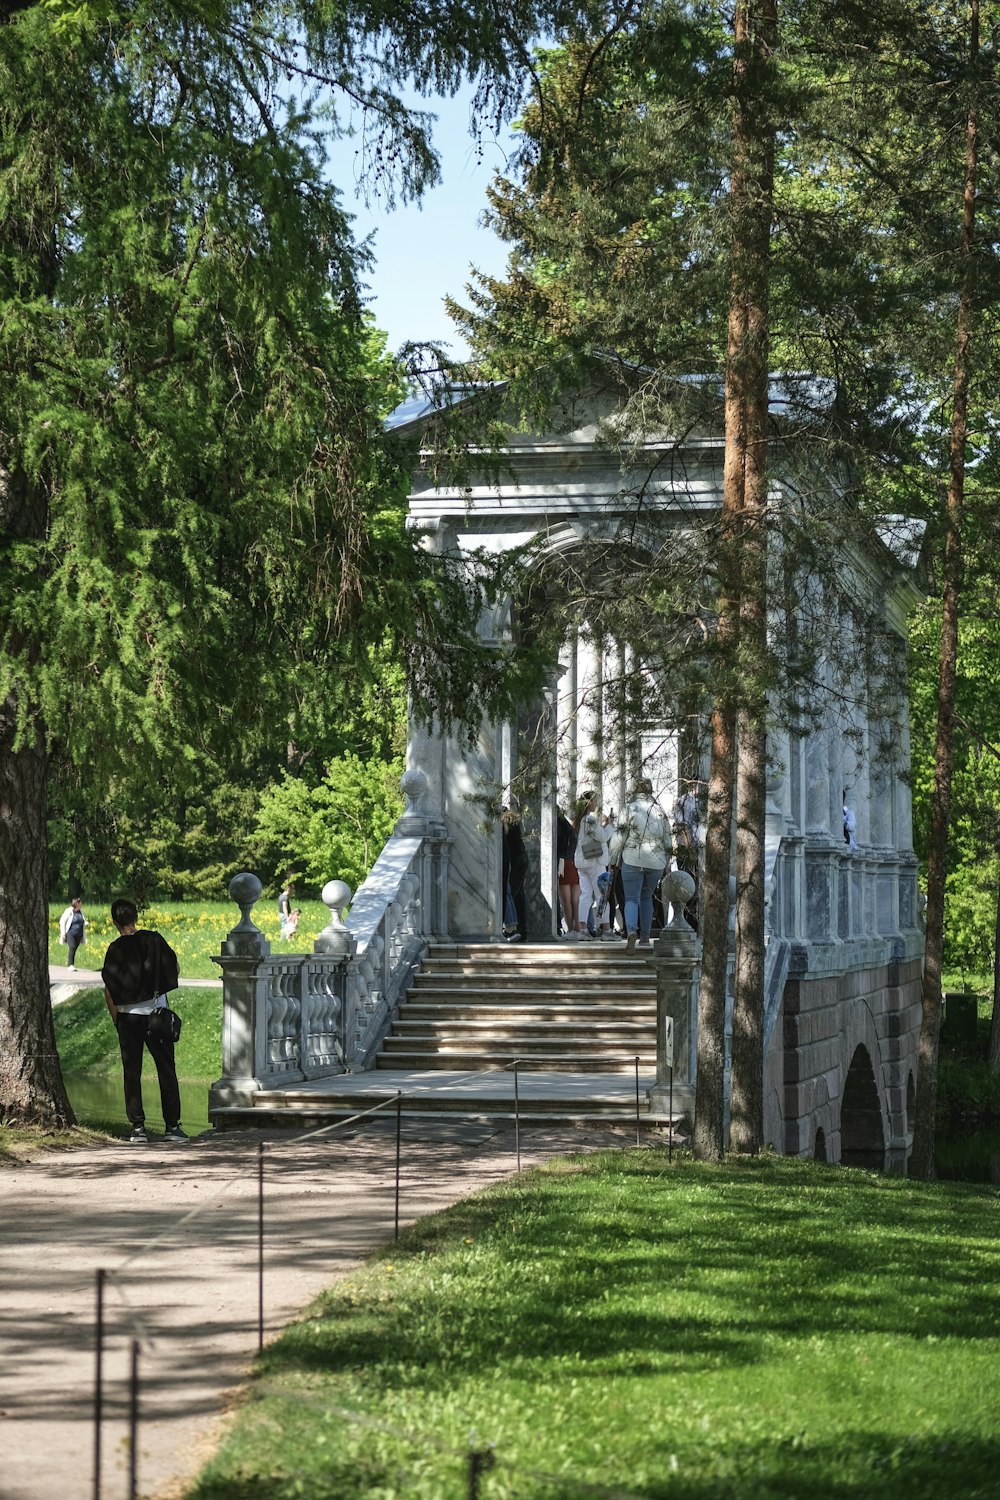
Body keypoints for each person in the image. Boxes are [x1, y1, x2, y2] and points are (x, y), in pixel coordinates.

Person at [101, 898, 187, 1145]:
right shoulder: (154, 939)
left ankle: (137, 1128)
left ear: (114, 921)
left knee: (132, 1072)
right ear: (136, 918)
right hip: (156, 1015)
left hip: (127, 1017)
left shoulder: (114, 949)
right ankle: (172, 1126)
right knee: (166, 1070)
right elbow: (176, 968)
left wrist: (117, 1020)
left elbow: (108, 991)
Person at [610, 778, 673, 953]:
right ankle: (645, 936)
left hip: (632, 858)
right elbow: (667, 837)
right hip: (655, 861)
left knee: (631, 899)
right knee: (647, 898)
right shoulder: (659, 811)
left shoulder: (629, 809)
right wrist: (667, 860)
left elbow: (619, 836)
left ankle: (631, 931)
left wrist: (613, 859)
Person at [574, 791, 610, 939]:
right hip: (595, 861)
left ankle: (582, 929)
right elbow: (603, 836)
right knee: (602, 895)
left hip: (582, 862)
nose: (596, 804)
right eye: (595, 801)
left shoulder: (580, 820)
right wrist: (609, 825)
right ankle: (606, 929)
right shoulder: (589, 819)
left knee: (586, 895)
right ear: (588, 803)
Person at [502, 809, 529, 942]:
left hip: (515, 860)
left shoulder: (506, 821)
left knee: (509, 893)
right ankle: (521, 930)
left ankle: (513, 928)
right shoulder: (514, 820)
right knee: (518, 895)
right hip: (521, 858)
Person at [556, 806, 581, 939]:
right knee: (575, 900)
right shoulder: (569, 828)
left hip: (562, 863)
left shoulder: (558, 829)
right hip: (573, 862)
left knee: (566, 900)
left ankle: (570, 929)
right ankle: (578, 927)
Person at [58, 896, 87, 971]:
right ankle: (70, 965)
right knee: (72, 947)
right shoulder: (69, 911)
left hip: (79, 934)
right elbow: (62, 921)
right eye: (80, 903)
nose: (81, 904)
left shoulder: (81, 911)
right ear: (77, 903)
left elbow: (82, 920)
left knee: (74, 949)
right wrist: (63, 933)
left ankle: (72, 964)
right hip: (70, 933)